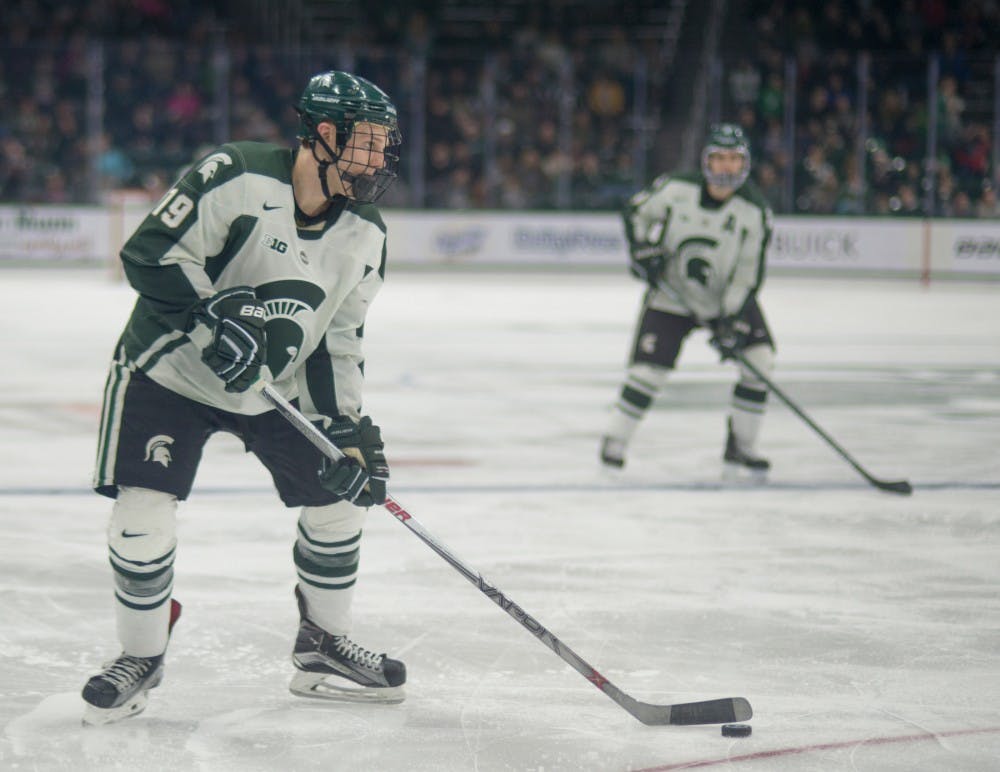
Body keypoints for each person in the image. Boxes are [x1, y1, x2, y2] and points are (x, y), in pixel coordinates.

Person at [81, 70, 406, 725]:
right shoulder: (237, 175)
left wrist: (345, 428)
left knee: (341, 505)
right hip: (169, 372)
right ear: (323, 135)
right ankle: (141, 655)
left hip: (274, 389)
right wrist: (210, 316)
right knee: (143, 518)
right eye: (367, 142)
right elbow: (148, 254)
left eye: (383, 144)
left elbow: (338, 341)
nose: (379, 158)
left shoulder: (366, 235)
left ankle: (321, 647)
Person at [599, 123, 776, 479]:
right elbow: (636, 212)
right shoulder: (676, 187)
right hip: (671, 293)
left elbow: (746, 275)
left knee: (761, 361)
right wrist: (641, 249)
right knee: (647, 374)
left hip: (723, 298)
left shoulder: (754, 212)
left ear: (745, 164)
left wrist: (731, 319)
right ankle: (614, 443)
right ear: (706, 160)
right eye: (719, 158)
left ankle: (742, 445)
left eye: (733, 159)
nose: (726, 167)